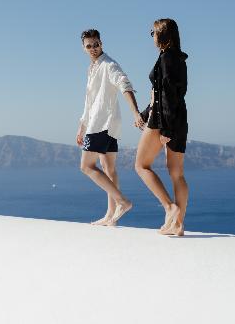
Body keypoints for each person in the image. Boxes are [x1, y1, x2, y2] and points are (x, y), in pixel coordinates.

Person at [76, 28, 143, 226]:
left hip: (101, 124)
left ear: (101, 43)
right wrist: (81, 126)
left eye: (96, 44)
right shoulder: (92, 67)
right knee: (109, 168)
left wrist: (136, 112)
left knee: (86, 166)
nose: (93, 48)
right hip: (107, 123)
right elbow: (89, 101)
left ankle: (122, 202)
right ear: (84, 48)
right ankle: (110, 215)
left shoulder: (109, 65)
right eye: (89, 46)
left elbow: (125, 86)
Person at [134, 18, 189, 236]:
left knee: (141, 166)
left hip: (162, 120)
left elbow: (167, 96)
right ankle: (178, 225)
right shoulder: (179, 58)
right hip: (178, 119)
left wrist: (165, 129)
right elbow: (167, 94)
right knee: (177, 173)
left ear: (162, 34)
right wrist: (144, 113)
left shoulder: (166, 58)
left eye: (153, 33)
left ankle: (169, 207)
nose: (152, 37)